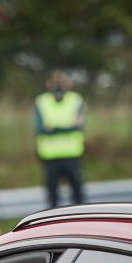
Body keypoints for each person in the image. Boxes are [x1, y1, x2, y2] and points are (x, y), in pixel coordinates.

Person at [35, 70, 86, 209]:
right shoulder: (42, 102)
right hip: (50, 156)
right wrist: (68, 127)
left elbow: (79, 126)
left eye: (62, 83)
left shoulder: (75, 100)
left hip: (72, 155)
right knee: (52, 197)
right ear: (49, 85)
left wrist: (53, 129)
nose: (59, 87)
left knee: (78, 196)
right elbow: (40, 129)